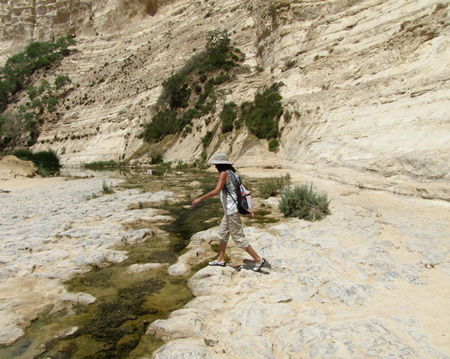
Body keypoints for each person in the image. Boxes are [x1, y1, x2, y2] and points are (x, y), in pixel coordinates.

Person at [192, 153, 266, 271]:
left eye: (216, 165)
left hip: (232, 210)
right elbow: (242, 190)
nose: (215, 167)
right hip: (230, 210)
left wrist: (200, 198)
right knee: (223, 233)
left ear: (221, 165)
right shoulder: (234, 172)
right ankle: (220, 259)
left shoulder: (224, 174)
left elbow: (217, 191)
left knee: (238, 237)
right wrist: (250, 209)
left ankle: (258, 259)